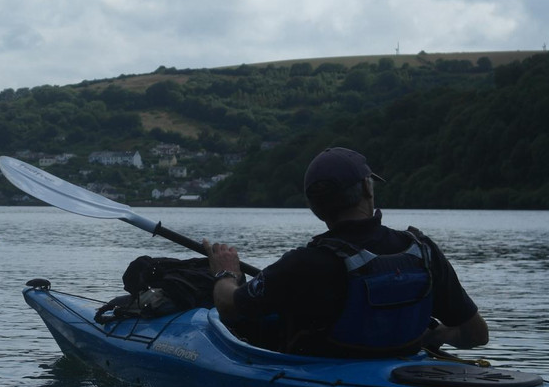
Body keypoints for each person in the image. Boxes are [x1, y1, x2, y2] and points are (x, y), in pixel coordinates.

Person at [202, 146, 489, 357]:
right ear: (367, 187)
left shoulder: (303, 264)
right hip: (407, 380)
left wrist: (225, 271)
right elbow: (476, 334)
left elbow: (229, 306)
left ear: (314, 207)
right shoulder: (422, 251)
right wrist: (439, 334)